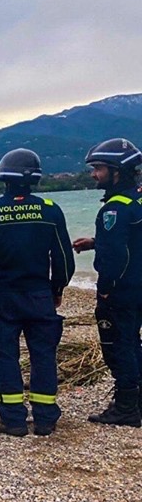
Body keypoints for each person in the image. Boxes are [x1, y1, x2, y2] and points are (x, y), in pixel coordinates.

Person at [0, 149, 75, 437]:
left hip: (3, 298)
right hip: (39, 295)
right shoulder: (51, 210)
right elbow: (64, 258)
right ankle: (45, 419)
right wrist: (58, 288)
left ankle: (13, 420)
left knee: (4, 357)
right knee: (44, 356)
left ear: (4, 177)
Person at [73, 138, 142, 428]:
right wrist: (95, 242)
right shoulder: (137, 199)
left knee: (119, 345)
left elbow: (114, 257)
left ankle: (126, 406)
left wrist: (104, 291)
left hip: (123, 291)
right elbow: (132, 241)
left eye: (98, 168)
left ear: (117, 171)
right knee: (135, 343)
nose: (93, 174)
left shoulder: (113, 209)